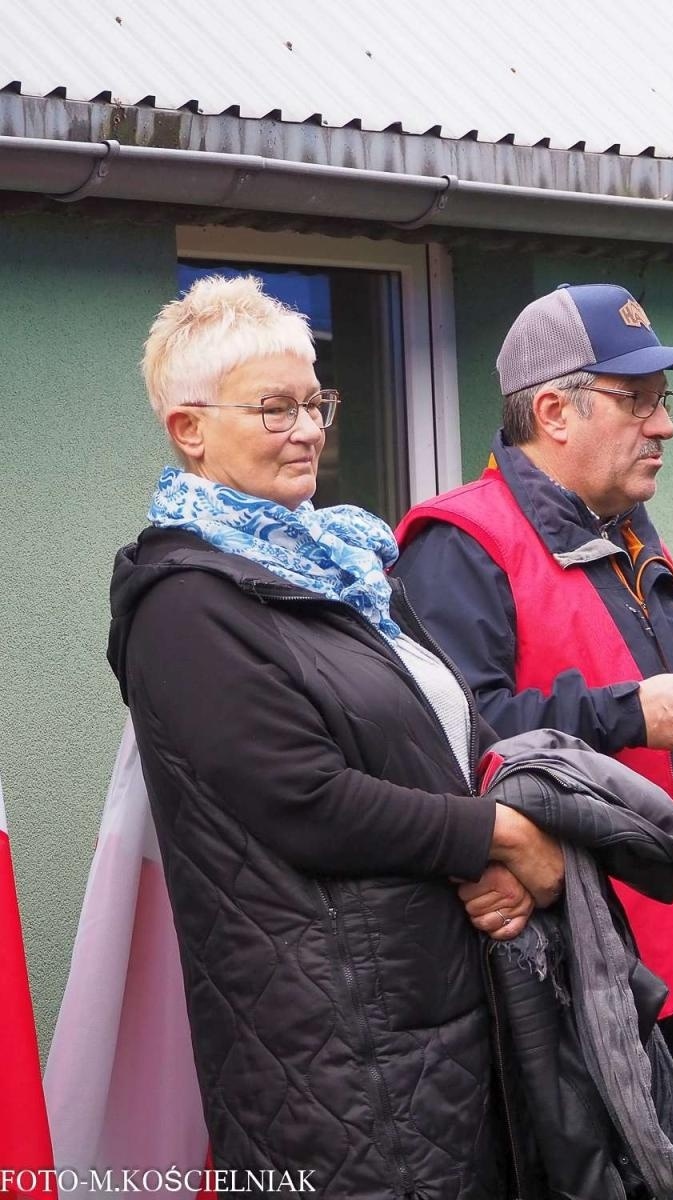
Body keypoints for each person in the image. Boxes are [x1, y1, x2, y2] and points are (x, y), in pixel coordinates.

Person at [107, 274, 566, 1196]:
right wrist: (499, 837)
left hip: (429, 1010)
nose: (309, 429)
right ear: (188, 430)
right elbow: (303, 801)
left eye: (315, 402)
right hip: (333, 1045)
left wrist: (501, 860)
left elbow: (447, 737)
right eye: (275, 409)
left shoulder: (340, 568)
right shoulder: (187, 602)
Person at [393, 283, 673, 1117]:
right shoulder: (460, 544)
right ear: (553, 411)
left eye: (662, 399)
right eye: (636, 400)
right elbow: (450, 740)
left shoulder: (633, 542)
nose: (665, 425)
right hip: (568, 989)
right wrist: (626, 713)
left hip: (663, 984)